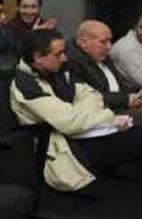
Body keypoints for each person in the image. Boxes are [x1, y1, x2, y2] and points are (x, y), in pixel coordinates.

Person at [11, 29, 142, 191]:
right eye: (58, 54)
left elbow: (92, 95)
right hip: (58, 148)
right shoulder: (26, 86)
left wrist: (78, 111)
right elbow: (70, 123)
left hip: (80, 132)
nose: (64, 57)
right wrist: (107, 117)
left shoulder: (57, 70)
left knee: (133, 134)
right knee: (134, 138)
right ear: (38, 58)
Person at [67, 20, 142, 113]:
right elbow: (89, 98)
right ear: (83, 43)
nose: (109, 47)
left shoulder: (102, 56)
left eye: (110, 40)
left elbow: (116, 86)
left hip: (122, 107)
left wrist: (133, 98)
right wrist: (126, 99)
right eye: (103, 42)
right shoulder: (72, 64)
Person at [110, 14, 142, 86]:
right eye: (141, 27)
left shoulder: (138, 39)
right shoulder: (127, 49)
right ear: (135, 26)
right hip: (131, 92)